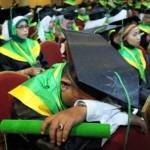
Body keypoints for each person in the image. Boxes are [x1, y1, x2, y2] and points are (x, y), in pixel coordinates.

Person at [9, 31, 148, 150]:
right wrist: (120, 117)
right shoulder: (28, 104)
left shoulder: (78, 75)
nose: (101, 100)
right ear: (65, 85)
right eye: (89, 100)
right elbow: (71, 145)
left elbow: (118, 101)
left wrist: (84, 108)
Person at [115, 23, 150, 105]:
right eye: (135, 35)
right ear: (124, 38)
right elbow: (131, 87)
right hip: (135, 99)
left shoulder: (139, 50)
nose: (139, 37)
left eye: (139, 33)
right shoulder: (121, 57)